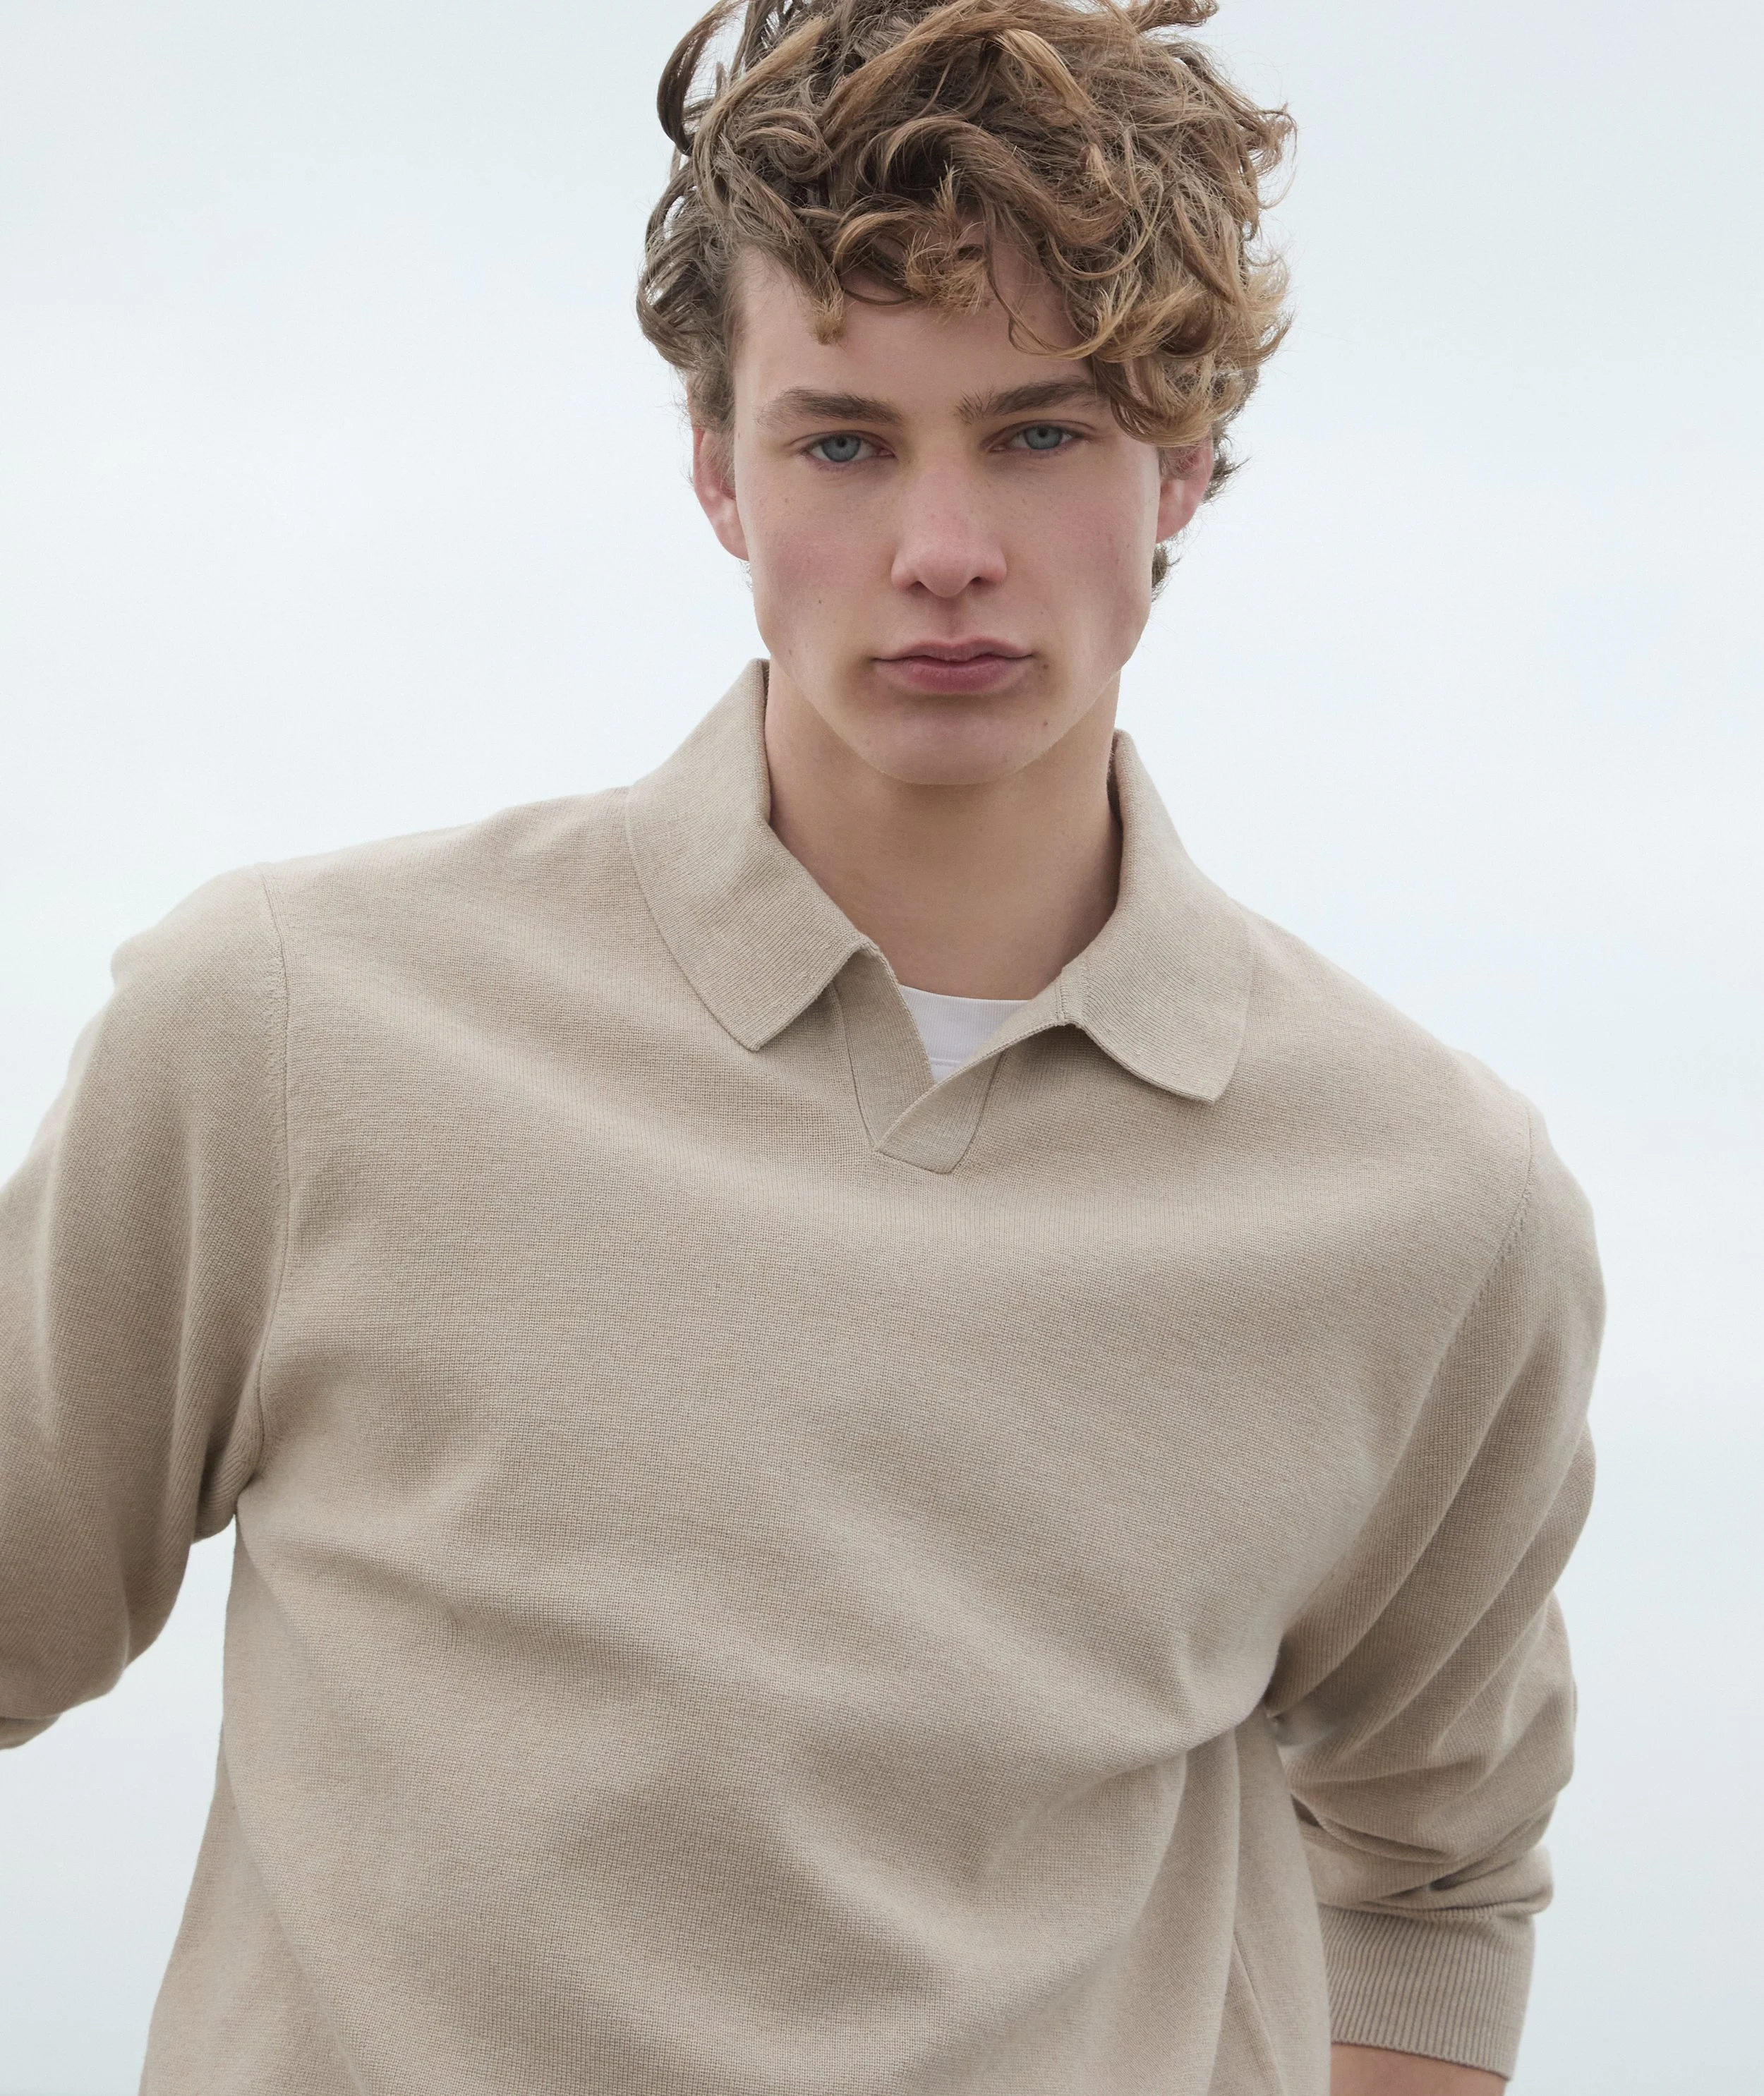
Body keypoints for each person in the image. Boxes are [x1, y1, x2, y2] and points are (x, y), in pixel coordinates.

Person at [0, 3, 1601, 2091]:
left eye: (1037, 433)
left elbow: (1435, 1885)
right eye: (844, 440)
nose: (942, 544)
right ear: (716, 473)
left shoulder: (1428, 1207)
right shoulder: (300, 1026)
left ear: (1182, 462)